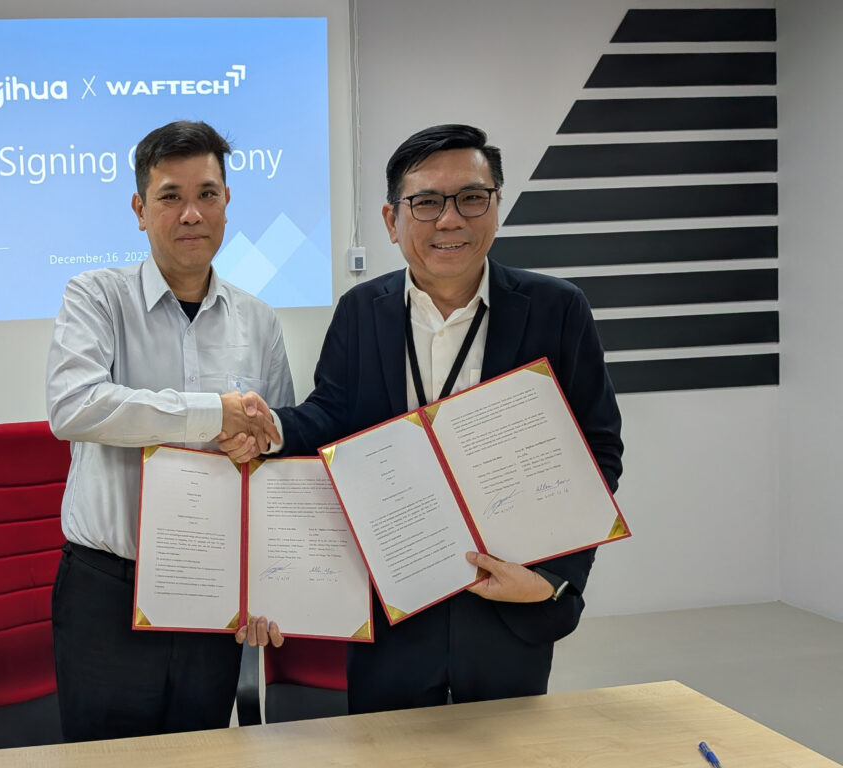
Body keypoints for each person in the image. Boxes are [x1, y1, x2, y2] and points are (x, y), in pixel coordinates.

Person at [221, 123, 623, 713]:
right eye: (427, 202)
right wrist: (273, 429)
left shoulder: (557, 309)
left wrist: (552, 579)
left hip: (508, 600)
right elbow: (329, 417)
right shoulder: (361, 310)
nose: (450, 219)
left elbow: (597, 450)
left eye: (471, 198)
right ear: (392, 220)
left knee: (506, 749)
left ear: (496, 206)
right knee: (388, 748)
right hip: (393, 604)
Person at [46, 120, 291, 742]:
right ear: (139, 209)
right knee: (104, 760)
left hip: (213, 585)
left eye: (207, 194)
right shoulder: (96, 297)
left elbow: (278, 454)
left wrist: (257, 442)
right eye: (170, 196)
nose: (191, 213)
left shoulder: (260, 321)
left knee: (203, 750)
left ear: (227, 202)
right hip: (109, 587)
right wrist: (213, 414)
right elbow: (74, 405)